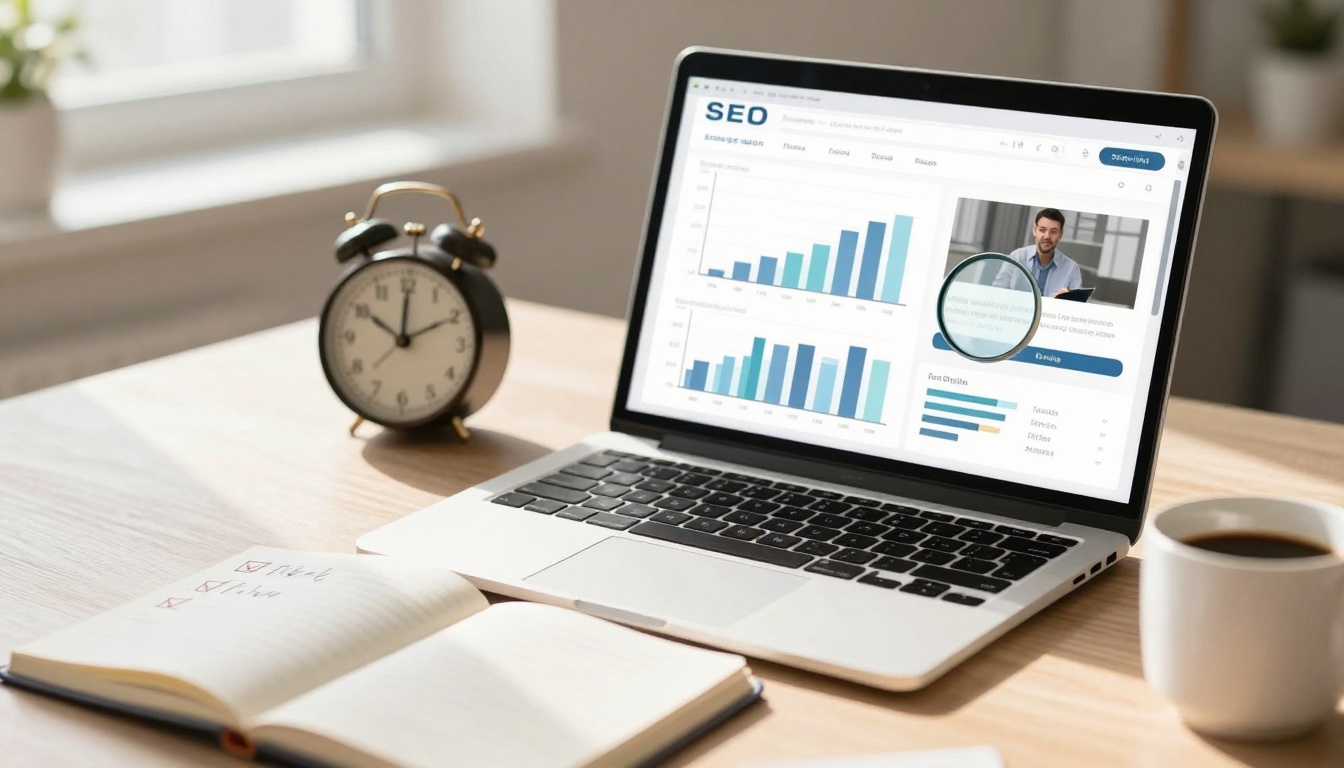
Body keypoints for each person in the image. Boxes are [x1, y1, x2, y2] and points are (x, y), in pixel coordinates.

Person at [993, 208, 1083, 298]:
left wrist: (1068, 299)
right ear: (1035, 230)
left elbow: (1077, 306)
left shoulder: (1072, 269)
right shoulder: (1016, 257)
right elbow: (996, 293)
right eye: (1042, 230)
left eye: (1053, 232)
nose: (1047, 236)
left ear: (1060, 235)